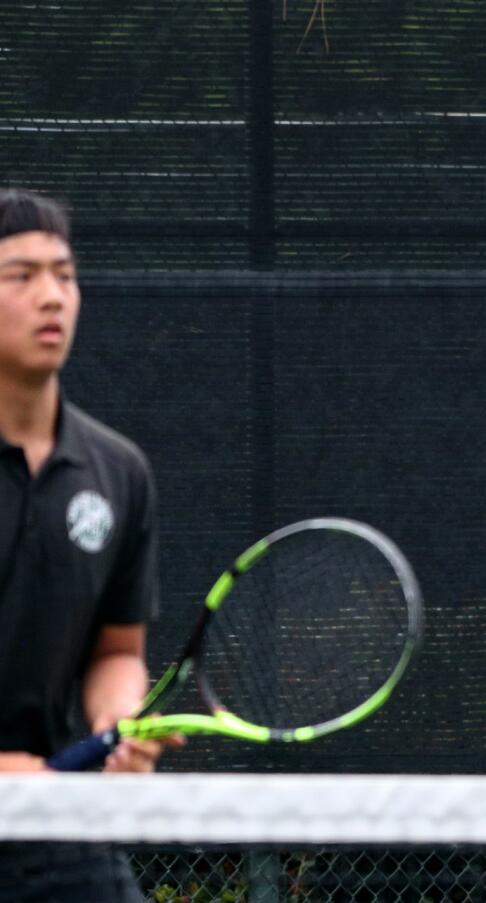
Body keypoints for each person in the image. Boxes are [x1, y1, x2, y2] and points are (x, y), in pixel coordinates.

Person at [0, 188, 180, 902]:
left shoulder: (119, 471)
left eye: (65, 274)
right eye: (21, 275)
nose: (52, 296)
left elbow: (116, 650)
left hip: (58, 832)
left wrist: (119, 720)